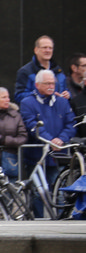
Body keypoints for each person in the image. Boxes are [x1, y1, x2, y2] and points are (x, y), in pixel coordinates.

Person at [19, 69, 77, 208]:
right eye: (47, 83)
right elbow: (32, 125)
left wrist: (61, 139)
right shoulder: (27, 102)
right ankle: (38, 219)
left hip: (59, 154)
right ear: (37, 85)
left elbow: (71, 124)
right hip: (37, 156)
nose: (51, 86)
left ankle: (60, 217)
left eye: (53, 83)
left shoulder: (62, 102)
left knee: (60, 191)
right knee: (38, 193)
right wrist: (50, 140)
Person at [14, 36, 68, 104]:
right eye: (44, 47)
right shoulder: (25, 72)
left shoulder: (58, 70)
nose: (48, 50)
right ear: (36, 50)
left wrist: (67, 95)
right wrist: (41, 94)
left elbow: (66, 90)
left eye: (50, 48)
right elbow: (19, 96)